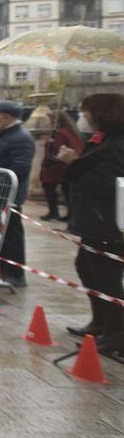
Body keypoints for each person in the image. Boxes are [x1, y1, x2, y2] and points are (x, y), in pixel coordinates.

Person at [57, 93, 124, 352]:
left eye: (86, 113)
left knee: (107, 277)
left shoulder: (116, 145)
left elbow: (108, 186)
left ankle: (117, 332)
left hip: (108, 224)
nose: (82, 118)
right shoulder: (102, 141)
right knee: (86, 267)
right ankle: (101, 321)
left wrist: (75, 164)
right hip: (95, 222)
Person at [0, 100, 35, 288]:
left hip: (7, 196)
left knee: (10, 237)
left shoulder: (20, 137)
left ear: (6, 117)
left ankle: (15, 275)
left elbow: (20, 169)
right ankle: (0, 268)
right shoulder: (4, 135)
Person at [39, 110, 84, 221]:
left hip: (56, 167)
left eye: (50, 120)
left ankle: (54, 212)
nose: (48, 123)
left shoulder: (60, 133)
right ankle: (69, 214)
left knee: (50, 187)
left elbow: (55, 150)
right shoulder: (70, 132)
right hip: (64, 167)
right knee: (66, 190)